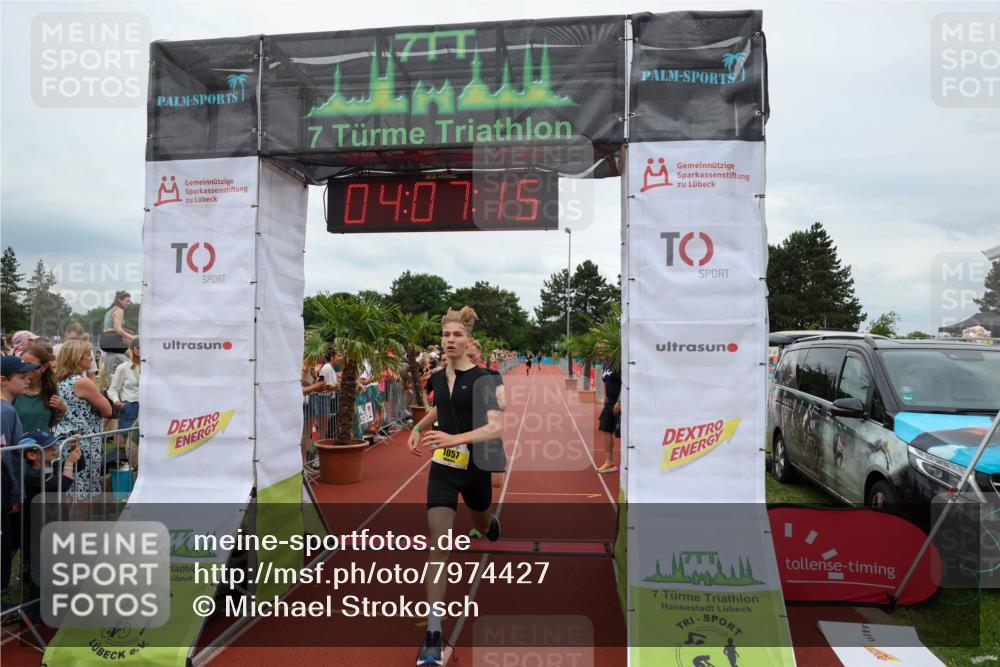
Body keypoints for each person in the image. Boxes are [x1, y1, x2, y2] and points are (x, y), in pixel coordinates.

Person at [408, 307, 503, 666]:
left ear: (467, 341)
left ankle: (489, 524)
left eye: (457, 335)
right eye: (446, 335)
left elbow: (495, 428)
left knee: (481, 524)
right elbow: (440, 409)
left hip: (475, 467)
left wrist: (453, 439)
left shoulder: (486, 379)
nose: (450, 340)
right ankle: (434, 633)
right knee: (439, 545)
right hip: (444, 471)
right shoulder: (435, 377)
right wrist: (418, 430)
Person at [19, 430, 81, 623]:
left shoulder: (50, 465)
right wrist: (69, 463)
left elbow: (79, 467)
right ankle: (36, 611)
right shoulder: (32, 475)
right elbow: (61, 485)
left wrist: (75, 451)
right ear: (32, 454)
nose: (55, 449)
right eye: (50, 447)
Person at [54, 339, 112, 501]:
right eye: (87, 354)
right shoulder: (82, 382)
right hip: (84, 444)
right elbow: (108, 410)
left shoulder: (59, 381)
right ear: (77, 357)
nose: (92, 359)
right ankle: (80, 526)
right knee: (83, 495)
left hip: (66, 441)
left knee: (69, 491)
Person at [1, 355, 39, 592]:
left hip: (9, 488)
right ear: (3, 380)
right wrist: (14, 495)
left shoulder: (8, 408)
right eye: (22, 377)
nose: (27, 382)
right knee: (7, 543)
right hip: (7, 490)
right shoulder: (4, 412)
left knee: (11, 542)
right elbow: (5, 457)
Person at [466, 339, 507, 491]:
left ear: (480, 357)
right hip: (463, 434)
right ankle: (482, 513)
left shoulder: (492, 375)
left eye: (472, 356)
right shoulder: (454, 377)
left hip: (488, 432)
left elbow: (502, 403)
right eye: (466, 356)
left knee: (497, 481)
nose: (469, 360)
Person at [14, 346, 67, 432]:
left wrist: (62, 411)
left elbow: (51, 423)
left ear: (44, 367)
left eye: (29, 364)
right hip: (17, 444)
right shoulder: (14, 389)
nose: (25, 367)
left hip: (42, 443)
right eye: (23, 363)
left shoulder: (50, 389)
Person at [101, 291, 137, 382]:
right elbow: (118, 329)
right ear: (120, 300)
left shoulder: (111, 310)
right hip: (112, 339)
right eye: (127, 301)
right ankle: (136, 376)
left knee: (111, 362)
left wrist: (127, 331)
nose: (129, 303)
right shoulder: (119, 310)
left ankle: (109, 377)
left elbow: (111, 327)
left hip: (105, 339)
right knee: (132, 355)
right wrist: (132, 337)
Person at [108, 339, 140, 433]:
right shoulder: (123, 368)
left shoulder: (150, 367)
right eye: (138, 348)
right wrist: (117, 401)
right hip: (130, 406)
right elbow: (113, 389)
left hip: (147, 407)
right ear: (132, 349)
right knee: (129, 442)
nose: (141, 350)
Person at [596, 361, 622, 474]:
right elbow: (607, 383)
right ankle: (609, 462)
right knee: (605, 429)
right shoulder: (605, 364)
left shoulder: (619, 362)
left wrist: (620, 401)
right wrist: (605, 398)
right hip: (609, 403)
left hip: (620, 404)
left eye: (602, 347)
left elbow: (625, 382)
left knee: (625, 434)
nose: (599, 350)